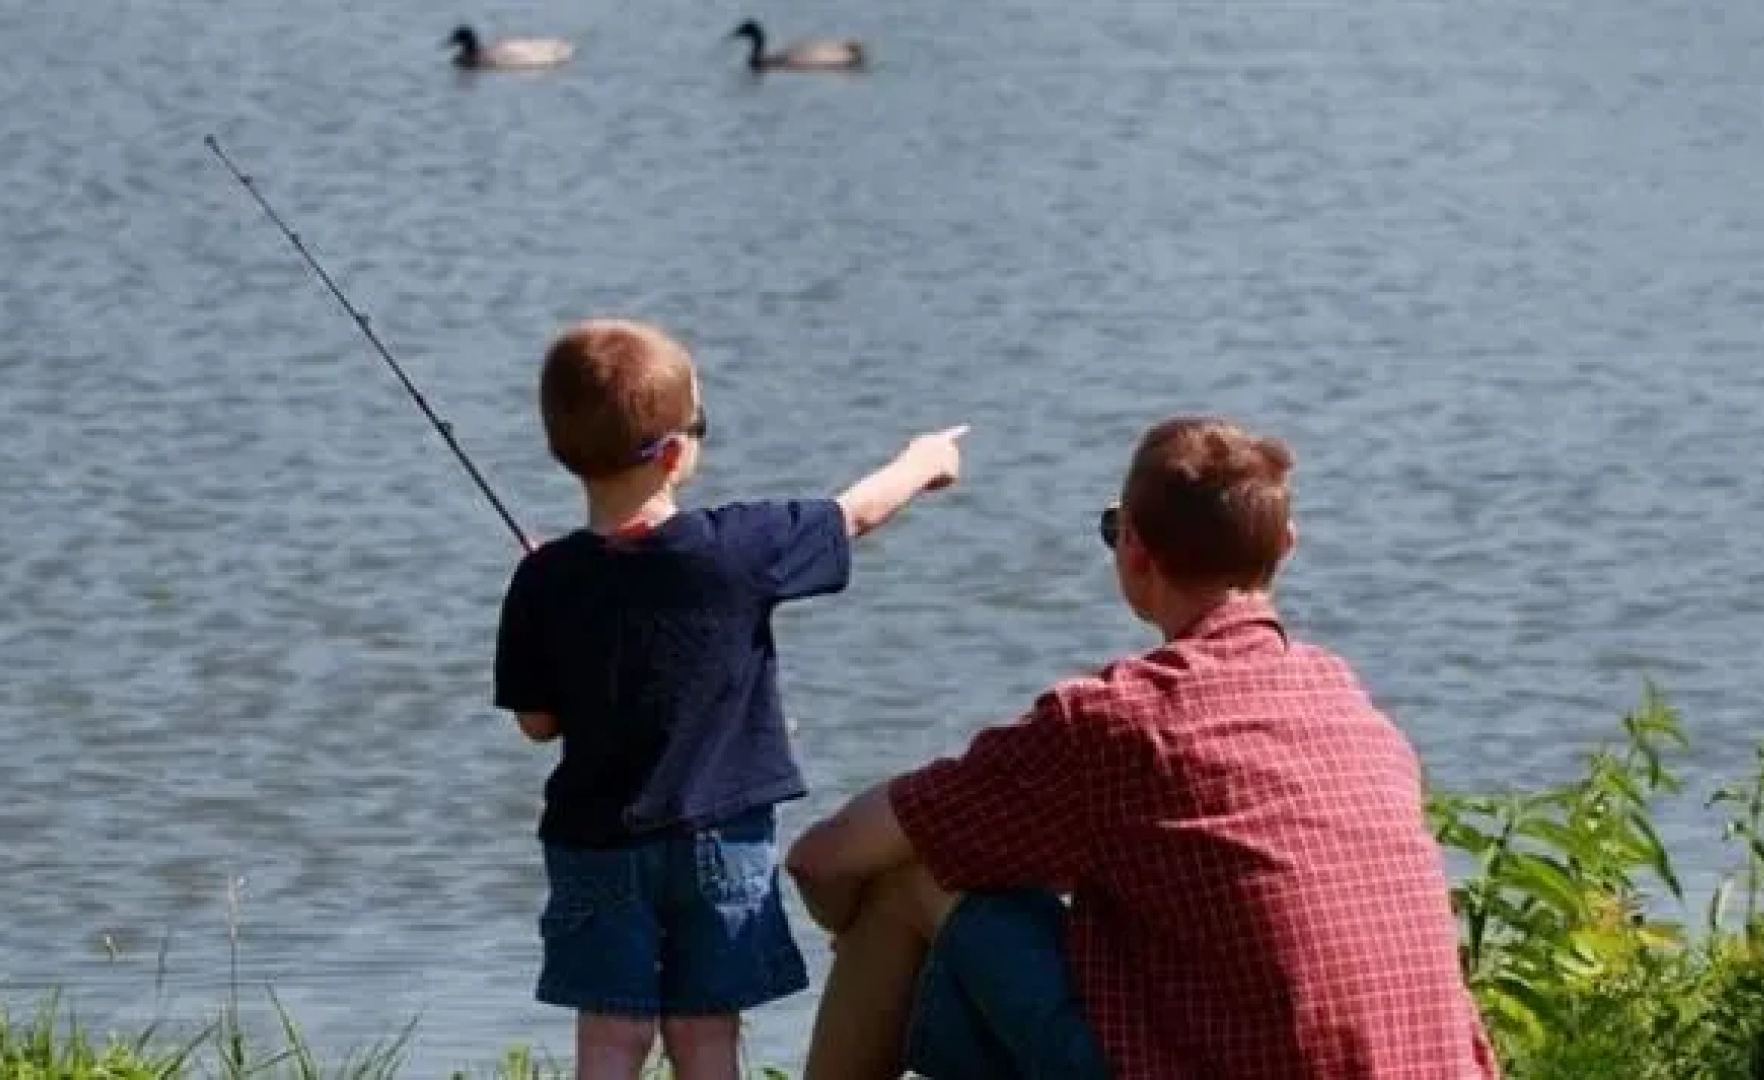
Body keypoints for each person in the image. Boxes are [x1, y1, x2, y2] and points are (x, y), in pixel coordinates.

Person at [784, 414, 1500, 1080]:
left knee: (912, 873)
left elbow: (822, 859)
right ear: (1286, 546)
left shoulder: (1120, 723)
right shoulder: (1350, 707)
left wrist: (864, 936)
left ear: (1132, 550)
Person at [492, 317, 969, 1080]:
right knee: (706, 1035)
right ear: (676, 454)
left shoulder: (545, 579)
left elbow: (536, 723)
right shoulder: (740, 549)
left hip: (595, 845)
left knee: (611, 1037)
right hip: (723, 840)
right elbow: (856, 512)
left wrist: (564, 605)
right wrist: (923, 461)